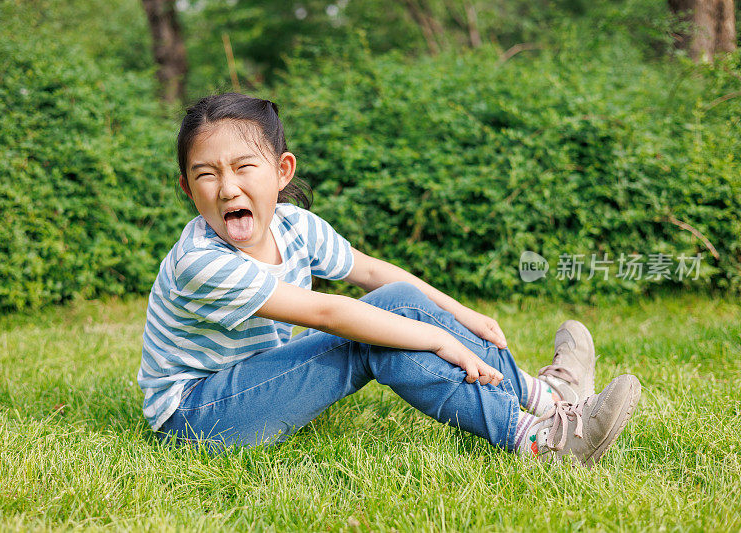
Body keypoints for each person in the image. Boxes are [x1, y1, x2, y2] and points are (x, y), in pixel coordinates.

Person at [137, 92, 641, 465]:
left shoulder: (294, 226)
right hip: (196, 417)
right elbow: (330, 313)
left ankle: (549, 400)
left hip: (254, 377)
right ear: (187, 187)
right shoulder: (200, 261)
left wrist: (462, 315)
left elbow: (376, 274)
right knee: (370, 338)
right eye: (206, 174)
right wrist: (439, 338)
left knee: (394, 300)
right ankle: (542, 441)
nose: (227, 188)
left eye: (245, 166)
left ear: (282, 170)